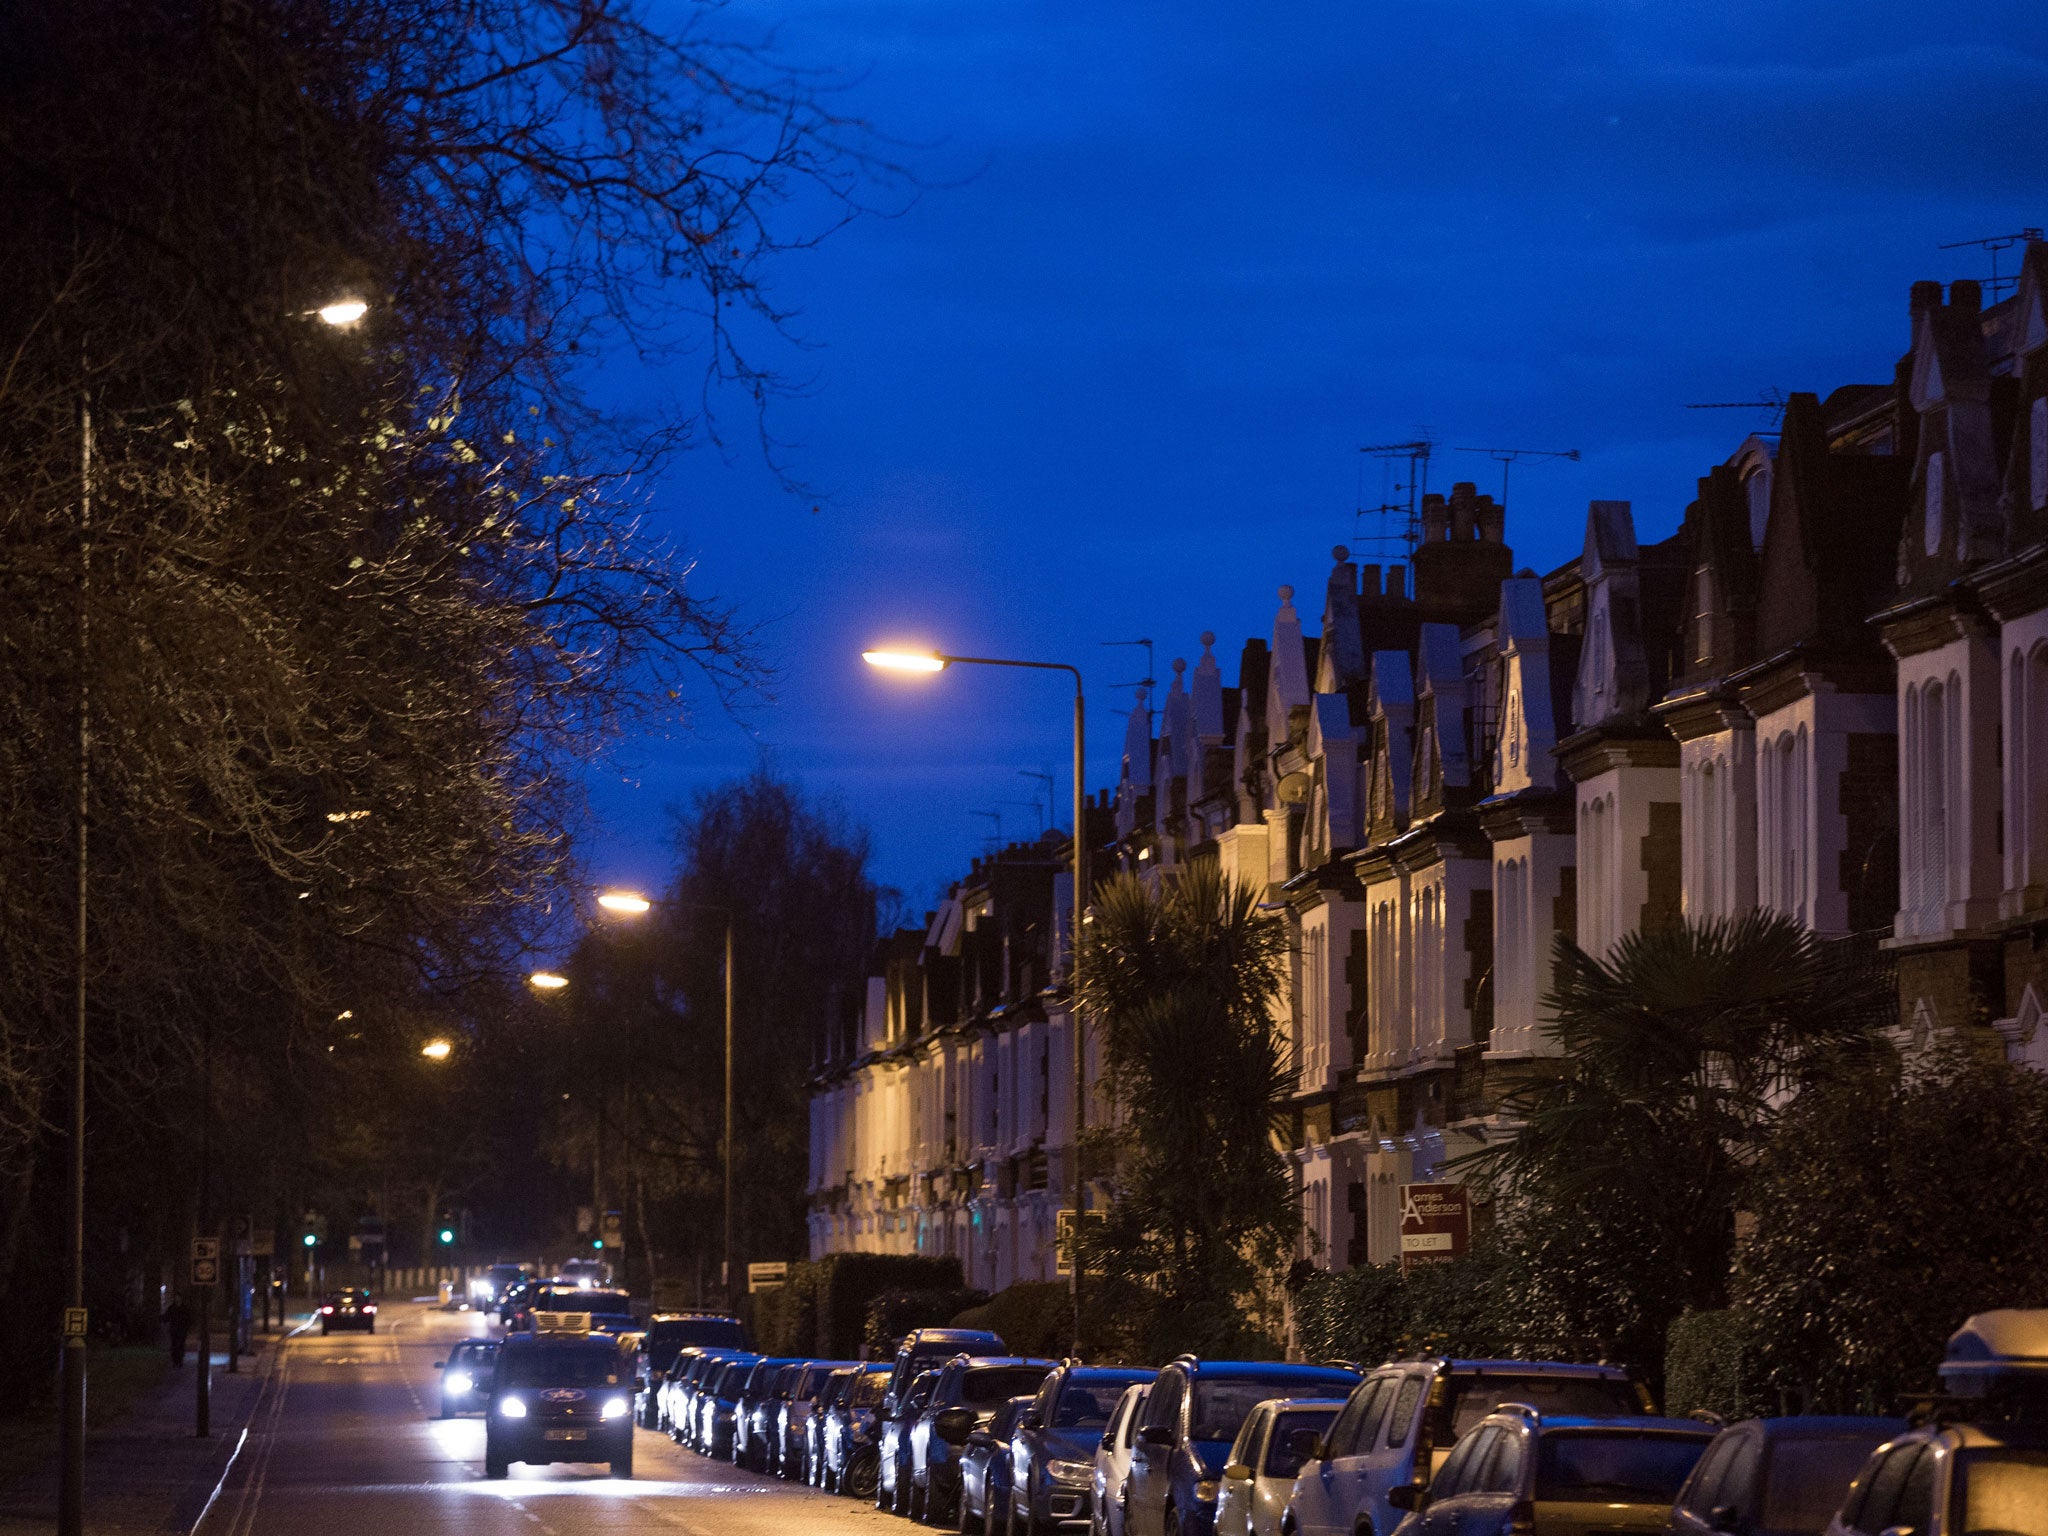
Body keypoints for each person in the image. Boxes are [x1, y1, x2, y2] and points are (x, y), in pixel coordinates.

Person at [164, 1295, 192, 1368]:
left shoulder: (184, 1308)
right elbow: (167, 1316)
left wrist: (186, 1327)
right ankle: (175, 1361)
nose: (177, 1299)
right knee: (174, 1346)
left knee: (180, 1346)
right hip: (174, 1330)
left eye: (178, 1298)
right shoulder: (172, 1308)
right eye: (176, 1298)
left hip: (182, 1331)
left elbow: (188, 1318)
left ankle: (179, 1361)